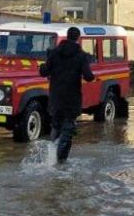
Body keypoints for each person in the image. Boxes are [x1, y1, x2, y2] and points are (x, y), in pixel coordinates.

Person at [39, 27, 95, 163]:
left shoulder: (54, 53)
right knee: (68, 129)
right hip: (72, 98)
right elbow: (88, 77)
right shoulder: (81, 55)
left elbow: (44, 72)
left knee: (56, 126)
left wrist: (41, 67)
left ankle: (50, 157)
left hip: (56, 98)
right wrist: (92, 76)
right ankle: (61, 162)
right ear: (78, 38)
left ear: (67, 36)